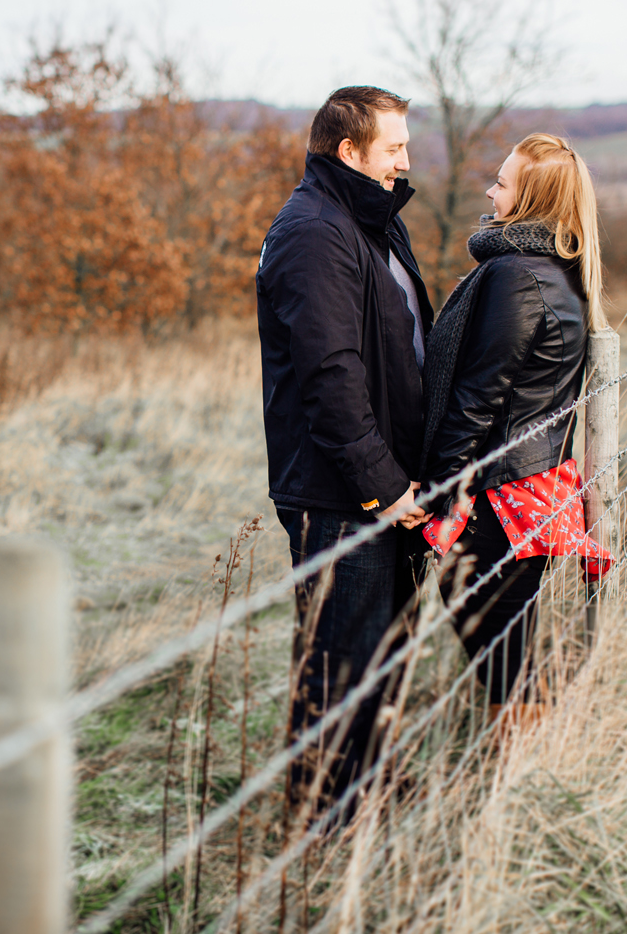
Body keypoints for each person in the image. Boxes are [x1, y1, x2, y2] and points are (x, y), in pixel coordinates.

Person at [256, 86, 433, 819]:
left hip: (386, 483)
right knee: (338, 664)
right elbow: (330, 375)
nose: (405, 160)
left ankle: (372, 789)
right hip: (341, 494)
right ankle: (327, 823)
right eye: (394, 148)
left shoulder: (370, 223)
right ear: (349, 151)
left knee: (381, 656)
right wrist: (383, 487)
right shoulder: (313, 232)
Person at [414, 132, 613, 731]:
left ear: (531, 200)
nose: (488, 190)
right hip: (528, 490)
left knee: (501, 658)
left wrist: (437, 493)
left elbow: (479, 396)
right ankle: (528, 756)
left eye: (501, 183)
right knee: (508, 650)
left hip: (498, 498)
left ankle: (521, 774)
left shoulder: (517, 275)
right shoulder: (555, 269)